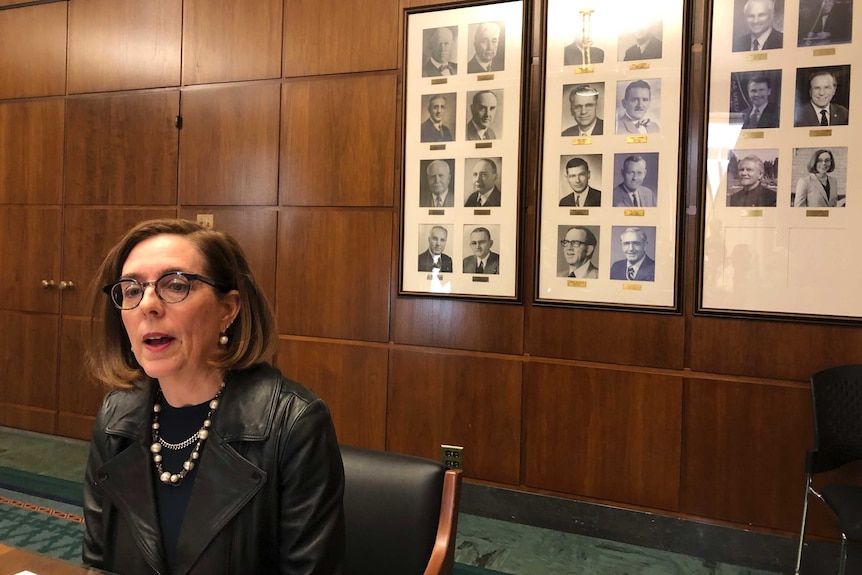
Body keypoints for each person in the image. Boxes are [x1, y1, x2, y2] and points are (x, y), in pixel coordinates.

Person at [82, 219, 345, 574]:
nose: (148, 305)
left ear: (228, 310)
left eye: (175, 285)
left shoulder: (295, 424)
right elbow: (98, 563)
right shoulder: (115, 416)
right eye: (131, 290)